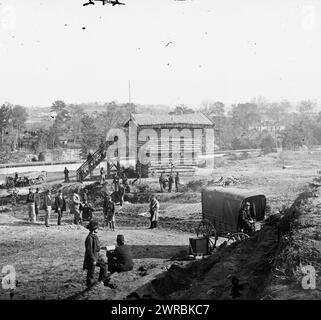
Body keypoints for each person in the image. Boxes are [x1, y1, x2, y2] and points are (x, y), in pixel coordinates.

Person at [83, 220, 108, 287]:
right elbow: (89, 251)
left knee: (104, 265)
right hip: (91, 258)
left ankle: (101, 280)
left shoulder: (95, 236)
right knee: (91, 272)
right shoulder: (89, 238)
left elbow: (97, 247)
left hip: (96, 256)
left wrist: (102, 247)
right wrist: (93, 260)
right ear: (94, 229)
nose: (98, 229)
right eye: (97, 228)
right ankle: (89, 284)